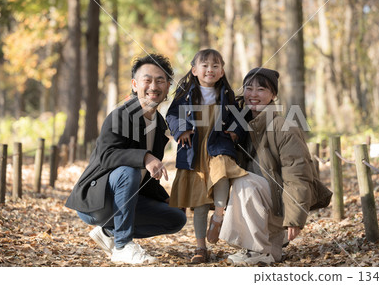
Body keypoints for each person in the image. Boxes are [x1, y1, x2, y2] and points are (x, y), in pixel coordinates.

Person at [65, 54, 187, 265]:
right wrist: (146, 157)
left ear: (168, 86)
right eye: (147, 80)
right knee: (128, 170)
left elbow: (145, 179)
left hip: (124, 200)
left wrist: (166, 198)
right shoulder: (121, 114)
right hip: (97, 201)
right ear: (135, 84)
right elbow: (107, 156)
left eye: (160, 80)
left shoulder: (159, 124)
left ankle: (108, 232)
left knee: (176, 217)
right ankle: (122, 245)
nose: (153, 86)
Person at [219, 67, 319, 265]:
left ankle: (258, 249)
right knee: (272, 257)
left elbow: (297, 174)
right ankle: (259, 248)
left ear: (273, 94)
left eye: (261, 89)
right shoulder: (239, 125)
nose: (253, 94)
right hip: (260, 202)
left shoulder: (284, 126)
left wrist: (294, 218)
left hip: (279, 204)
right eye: (249, 88)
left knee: (244, 181)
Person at [166, 49, 247, 263]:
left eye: (215, 66)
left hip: (218, 145)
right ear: (194, 70)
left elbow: (238, 117)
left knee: (222, 174)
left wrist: (235, 130)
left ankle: (219, 215)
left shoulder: (226, 95)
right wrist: (181, 129)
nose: (210, 69)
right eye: (205, 65)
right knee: (199, 201)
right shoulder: (186, 94)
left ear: (221, 72)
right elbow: (172, 115)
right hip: (194, 150)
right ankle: (200, 247)